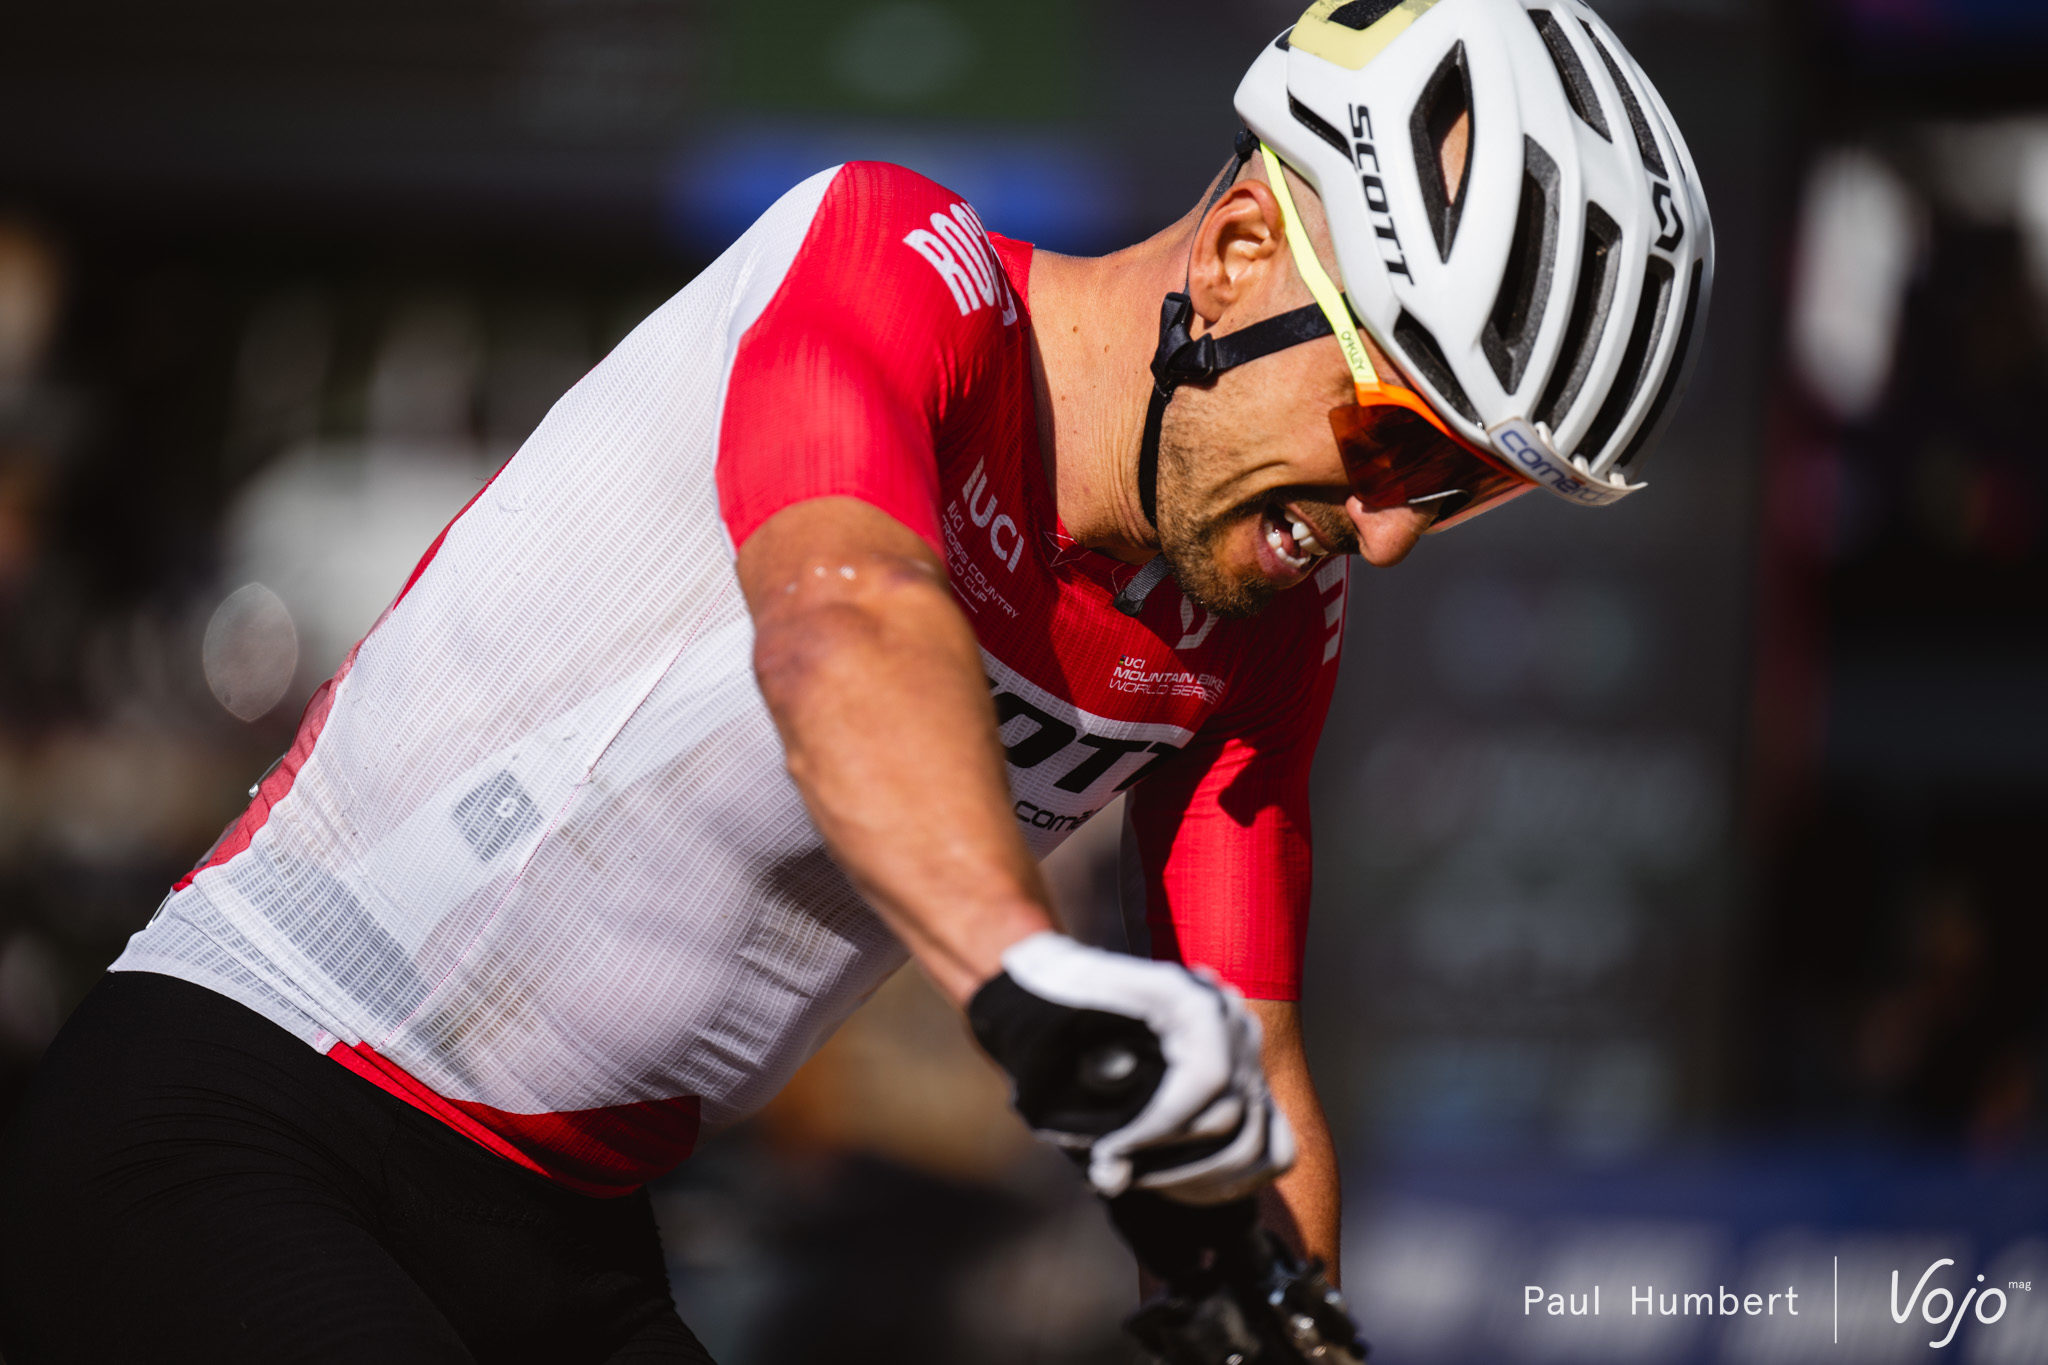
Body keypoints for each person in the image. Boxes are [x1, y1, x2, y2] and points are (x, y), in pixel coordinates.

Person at [0, 0, 1712, 1359]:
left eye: (1462, 490)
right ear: (1244, 250)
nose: (1390, 533)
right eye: (1394, 435)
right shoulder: (898, 267)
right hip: (250, 1099)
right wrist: (1026, 977)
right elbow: (845, 619)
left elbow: (1250, 1050)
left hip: (564, 1237)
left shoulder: (1257, 608)